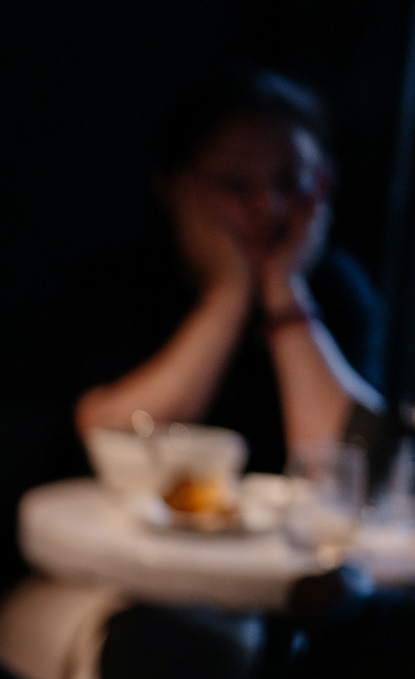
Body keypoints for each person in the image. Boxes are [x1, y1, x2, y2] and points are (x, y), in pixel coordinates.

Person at [66, 68, 380, 464]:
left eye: (289, 181)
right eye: (236, 184)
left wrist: (285, 293)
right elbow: (110, 440)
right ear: (175, 187)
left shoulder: (336, 287)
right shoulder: (124, 282)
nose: (269, 207)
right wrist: (228, 293)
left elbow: (353, 470)